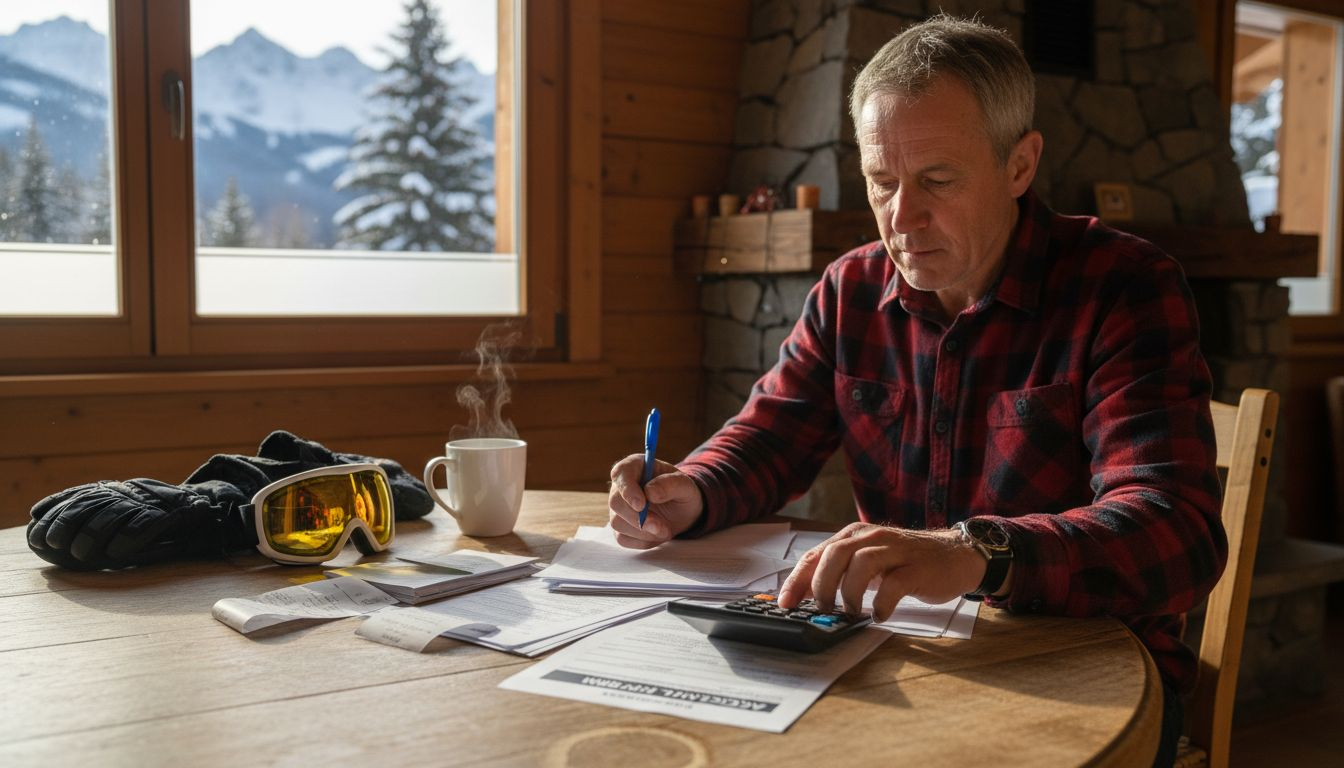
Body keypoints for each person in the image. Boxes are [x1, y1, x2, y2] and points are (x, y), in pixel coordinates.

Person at [607, 14, 1223, 767]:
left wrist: (977, 552)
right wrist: (693, 490)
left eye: (937, 180)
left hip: (1090, 674)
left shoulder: (1122, 286)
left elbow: (1175, 531)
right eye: (882, 181)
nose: (901, 218)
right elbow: (771, 434)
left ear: (1020, 165)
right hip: (895, 653)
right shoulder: (851, 287)